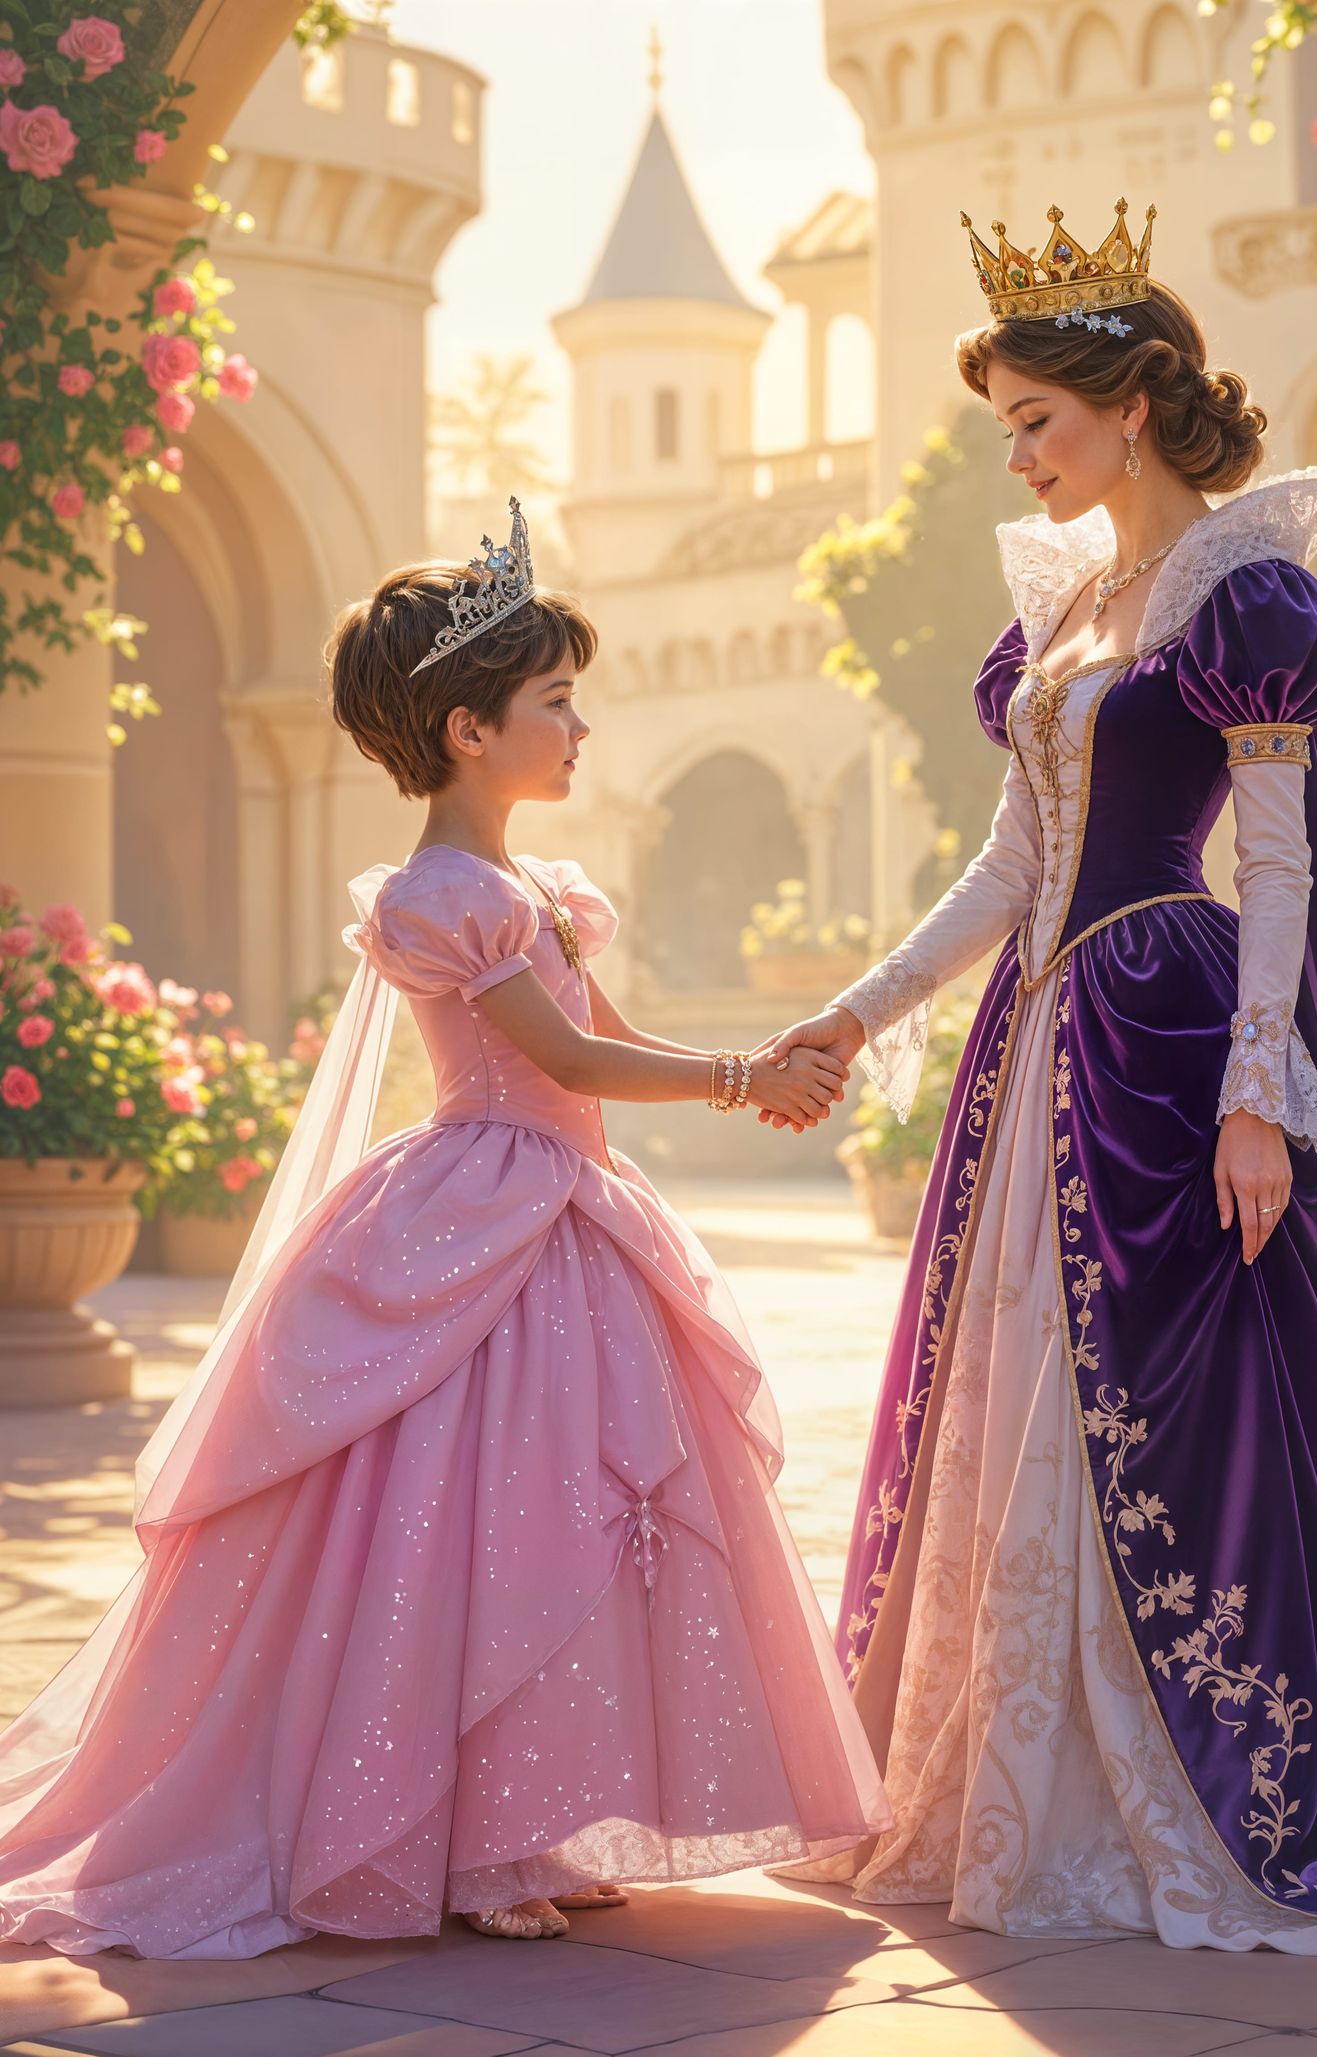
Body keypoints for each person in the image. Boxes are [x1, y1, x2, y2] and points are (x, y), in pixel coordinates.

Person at [764, 201, 1317, 1957]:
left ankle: (1201, 1771)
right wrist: (855, 1012)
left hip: (1162, 1029)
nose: (1016, 454)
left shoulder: (1246, 591)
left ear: (1130, 403)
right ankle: (1022, 1773)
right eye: (1004, 425)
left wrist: (1253, 1093)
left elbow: (1279, 862)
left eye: (1034, 422)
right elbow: (1008, 867)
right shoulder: (1068, 601)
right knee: (1016, 1400)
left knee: (1192, 1414)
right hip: (1040, 1043)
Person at [0, 504, 889, 1958]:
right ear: (473, 730)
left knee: (573, 1521)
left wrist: (767, 1066)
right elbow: (572, 1060)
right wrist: (741, 1078)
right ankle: (462, 1840)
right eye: (556, 701)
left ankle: (535, 1814)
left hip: (566, 1217)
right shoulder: (440, 894)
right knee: (471, 1522)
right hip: (480, 1218)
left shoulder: (540, 889)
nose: (583, 725)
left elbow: (605, 1037)